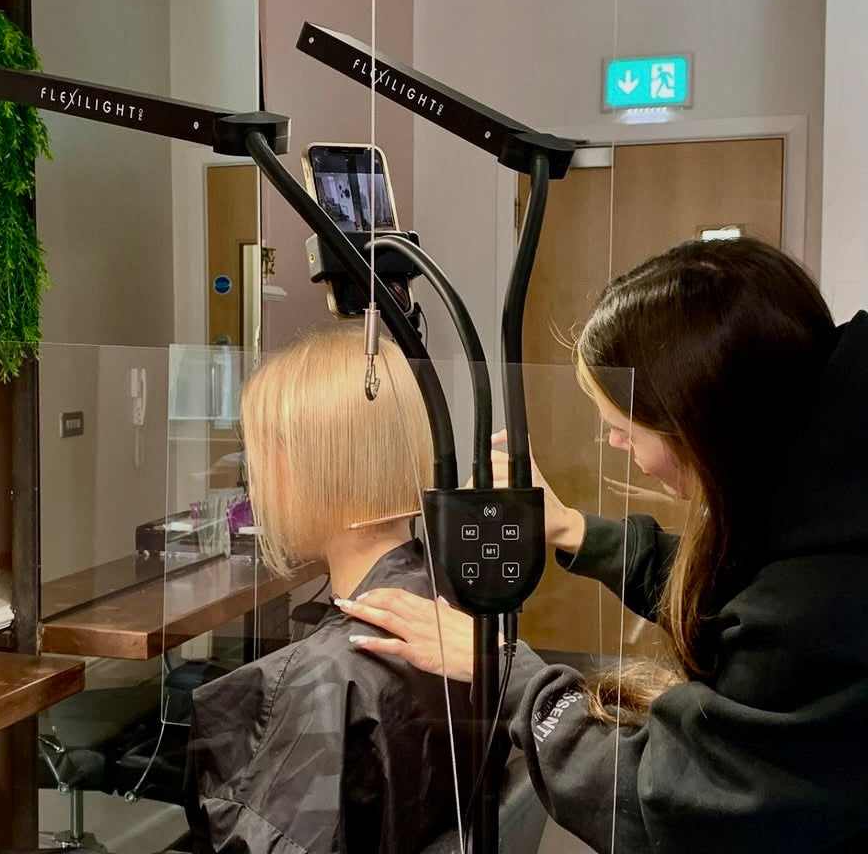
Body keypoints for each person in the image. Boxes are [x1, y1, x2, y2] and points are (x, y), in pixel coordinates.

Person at [337, 237, 868, 853]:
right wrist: (572, 530)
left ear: (699, 425)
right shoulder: (824, 475)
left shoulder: (820, 605)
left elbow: (669, 801)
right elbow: (734, 590)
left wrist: (505, 673)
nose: (617, 446)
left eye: (623, 429)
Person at [184, 326, 481, 854]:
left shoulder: (327, 680)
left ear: (304, 469)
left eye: (256, 456)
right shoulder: (459, 609)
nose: (252, 481)